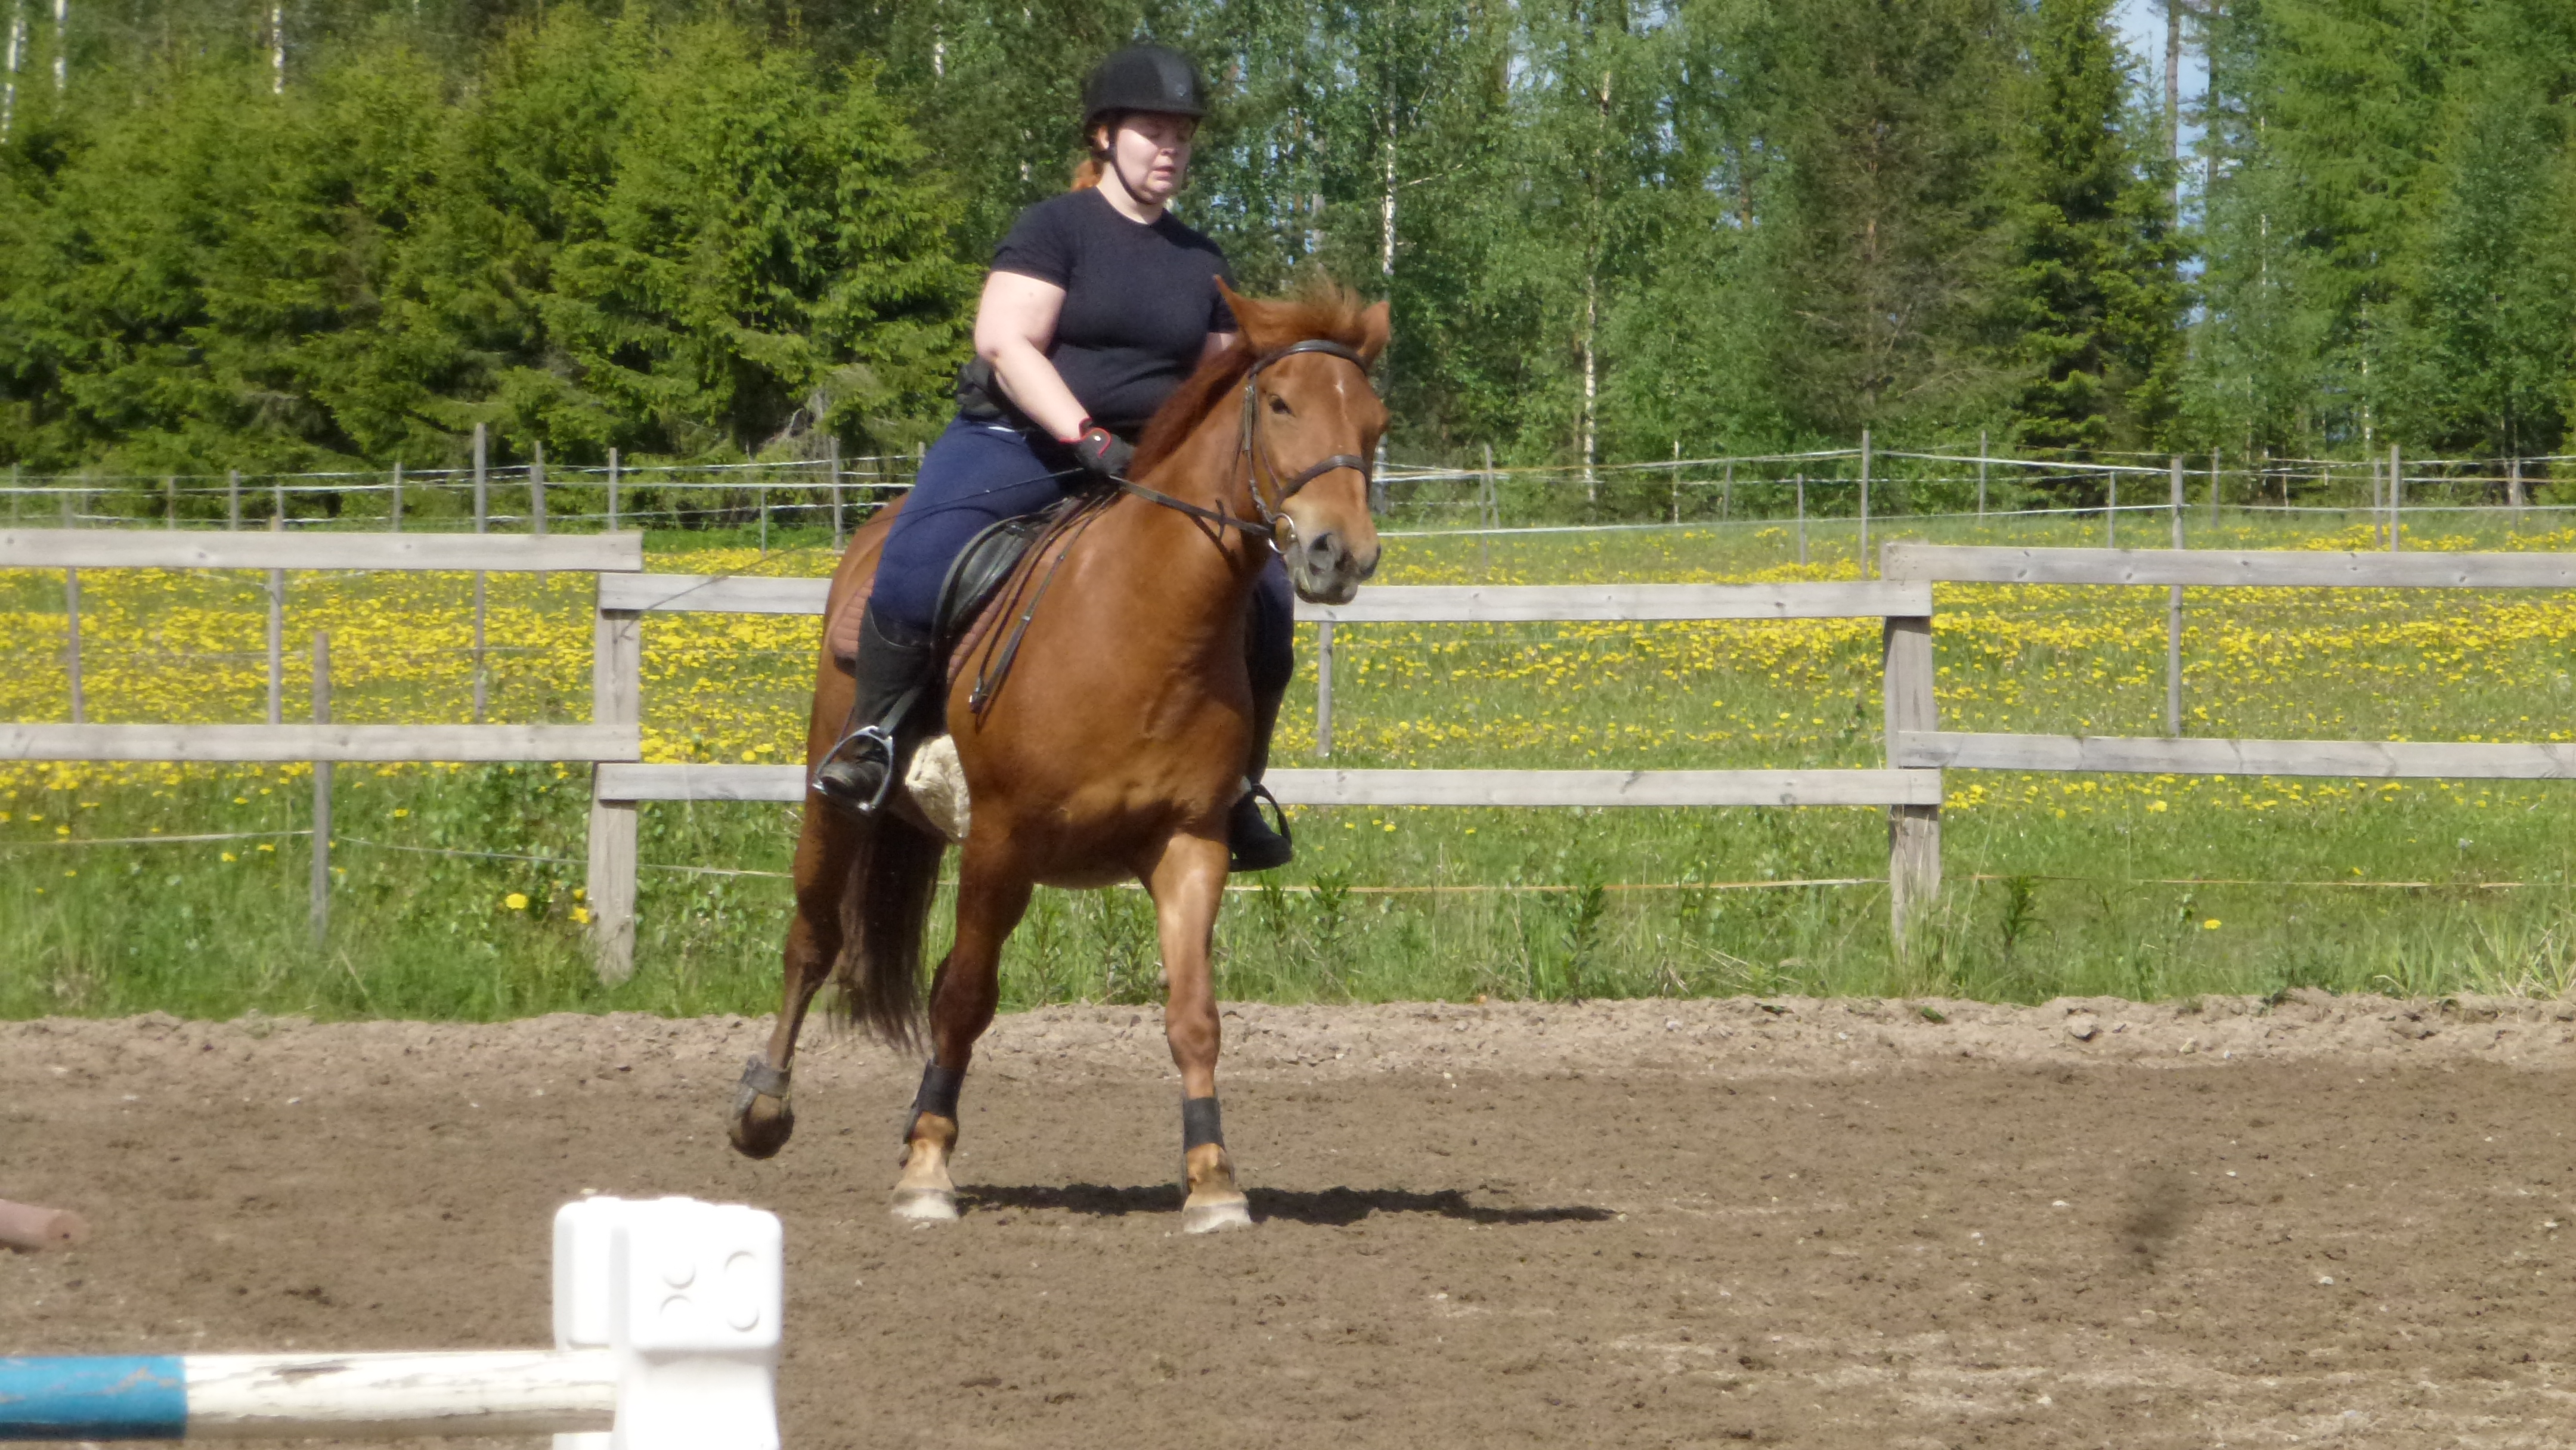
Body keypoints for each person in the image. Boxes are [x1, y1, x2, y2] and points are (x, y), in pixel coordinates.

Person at [813, 41, 1296, 871]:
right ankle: (876, 736)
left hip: (1147, 469)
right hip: (1022, 441)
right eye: (1153, 131)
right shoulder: (1055, 229)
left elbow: (1220, 388)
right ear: (1105, 135)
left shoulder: (1201, 260)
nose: (1171, 148)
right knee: (920, 558)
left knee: (1271, 596)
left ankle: (1237, 787)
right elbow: (1005, 342)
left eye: (1183, 134)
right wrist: (1086, 435)